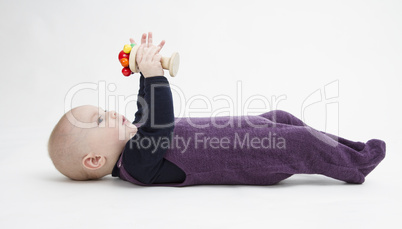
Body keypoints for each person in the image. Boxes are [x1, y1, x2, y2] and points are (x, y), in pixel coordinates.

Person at [48, 32, 386, 187]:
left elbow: (147, 114)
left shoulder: (136, 138)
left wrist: (144, 68)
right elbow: (159, 125)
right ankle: (356, 166)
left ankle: (348, 148)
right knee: (299, 142)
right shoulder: (135, 164)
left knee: (283, 119)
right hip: (252, 155)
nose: (110, 113)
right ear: (94, 160)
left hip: (250, 130)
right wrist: (155, 77)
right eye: (100, 119)